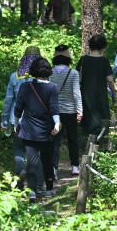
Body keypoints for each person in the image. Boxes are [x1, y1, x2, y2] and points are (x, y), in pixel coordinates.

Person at [14, 57, 60, 201]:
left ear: (33, 70)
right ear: (47, 71)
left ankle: (32, 192)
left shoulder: (25, 86)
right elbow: (54, 108)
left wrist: (16, 125)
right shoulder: (52, 87)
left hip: (28, 130)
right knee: (47, 161)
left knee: (32, 162)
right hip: (46, 130)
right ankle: (49, 190)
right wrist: (57, 125)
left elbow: (18, 108)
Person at [1, 46, 45, 192]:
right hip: (37, 121)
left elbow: (8, 101)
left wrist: (5, 121)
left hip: (17, 121)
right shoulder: (43, 78)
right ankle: (38, 187)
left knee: (19, 148)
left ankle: (21, 170)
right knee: (36, 152)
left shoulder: (14, 77)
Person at [50, 45, 83, 177]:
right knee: (73, 139)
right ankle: (75, 166)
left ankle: (53, 168)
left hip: (54, 112)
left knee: (54, 140)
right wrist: (80, 111)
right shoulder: (73, 73)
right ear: (68, 58)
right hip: (70, 112)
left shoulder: (49, 72)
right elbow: (76, 93)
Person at [76, 35, 117, 136]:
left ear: (90, 45)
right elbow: (110, 80)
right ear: (103, 47)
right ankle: (101, 143)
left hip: (85, 94)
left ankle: (87, 141)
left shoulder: (83, 59)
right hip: (100, 95)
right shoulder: (104, 61)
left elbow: (77, 78)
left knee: (88, 117)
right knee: (101, 118)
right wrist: (114, 95)